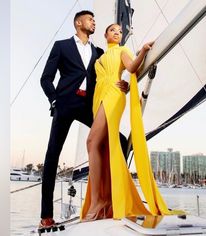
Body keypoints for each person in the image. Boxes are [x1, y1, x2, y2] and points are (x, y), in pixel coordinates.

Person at [40, 12, 128, 228]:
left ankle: (111, 199)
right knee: (52, 156)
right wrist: (54, 101)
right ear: (78, 23)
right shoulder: (61, 46)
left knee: (122, 140)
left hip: (89, 106)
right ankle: (46, 216)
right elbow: (46, 78)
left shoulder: (99, 52)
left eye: (95, 20)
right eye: (90, 19)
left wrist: (123, 84)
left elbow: (110, 71)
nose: (94, 22)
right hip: (65, 104)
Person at [80, 23, 176, 222]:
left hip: (114, 95)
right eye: (113, 30)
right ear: (105, 34)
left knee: (91, 142)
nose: (117, 33)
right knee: (100, 146)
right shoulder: (100, 57)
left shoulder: (123, 50)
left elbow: (132, 67)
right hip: (99, 98)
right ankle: (105, 200)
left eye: (120, 31)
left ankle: (98, 201)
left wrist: (142, 51)